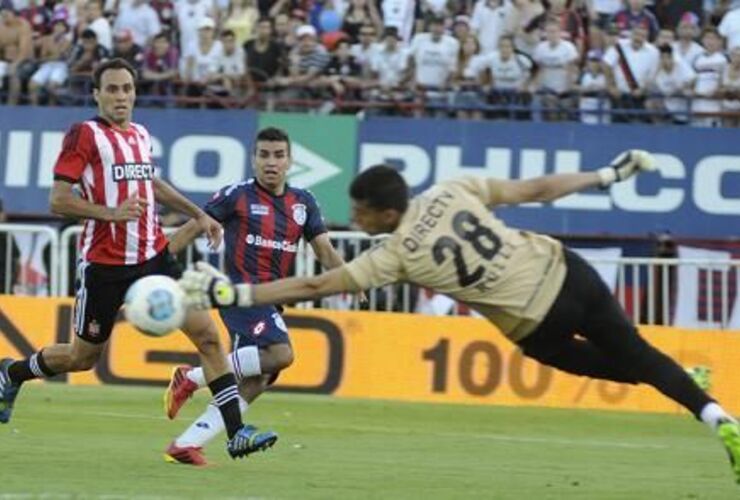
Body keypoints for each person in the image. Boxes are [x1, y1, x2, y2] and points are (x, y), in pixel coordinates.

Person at [180, 151, 740, 483]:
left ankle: (690, 392)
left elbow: (314, 283)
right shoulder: (455, 188)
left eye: (361, 211)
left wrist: (235, 293)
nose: (355, 218)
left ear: (387, 212)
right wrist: (607, 177)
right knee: (636, 352)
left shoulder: (392, 255)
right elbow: (538, 188)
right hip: (567, 270)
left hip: (534, 319)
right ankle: (714, 413)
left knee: (609, 362)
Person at [0, 58, 272, 461]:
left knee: (209, 337)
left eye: (127, 88)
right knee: (82, 358)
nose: (121, 96)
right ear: (96, 94)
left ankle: (236, 432)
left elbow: (151, 183)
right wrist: (111, 213)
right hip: (105, 265)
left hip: (155, 258)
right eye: (112, 89)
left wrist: (199, 214)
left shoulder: (141, 134)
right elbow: (58, 199)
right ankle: (12, 372)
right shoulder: (85, 135)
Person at [162, 126, 359, 466]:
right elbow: (195, 225)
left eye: (278, 155)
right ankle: (194, 378)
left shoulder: (304, 202)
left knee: (260, 378)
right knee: (281, 354)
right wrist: (157, 265)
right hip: (240, 295)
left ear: (290, 161)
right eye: (264, 155)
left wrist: (352, 277)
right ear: (253, 160)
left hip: (272, 299)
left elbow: (324, 249)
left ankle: (186, 442)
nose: (271, 162)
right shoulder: (236, 195)